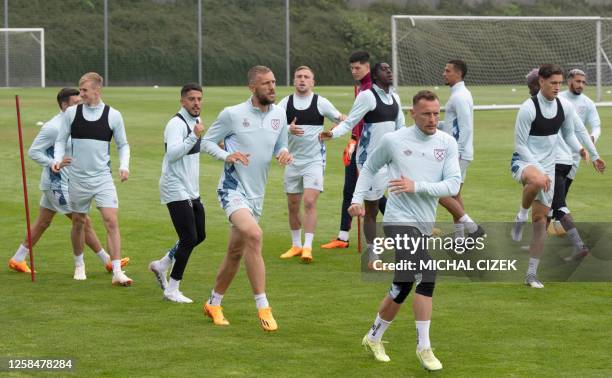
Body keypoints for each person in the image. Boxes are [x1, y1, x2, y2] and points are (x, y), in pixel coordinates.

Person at [350, 90, 461, 371]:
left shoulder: (447, 143)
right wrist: (356, 200)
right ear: (413, 114)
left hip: (423, 223)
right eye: (426, 113)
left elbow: (453, 185)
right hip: (398, 220)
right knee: (428, 273)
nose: (433, 118)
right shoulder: (394, 141)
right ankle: (424, 348)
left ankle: (374, 336)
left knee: (402, 285)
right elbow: (368, 168)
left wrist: (417, 186)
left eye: (437, 113)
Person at [200, 65, 292, 332]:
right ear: (252, 87)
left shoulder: (280, 114)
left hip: (257, 196)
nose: (272, 88)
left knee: (235, 253)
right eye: (266, 84)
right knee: (255, 235)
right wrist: (226, 155)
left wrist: (284, 152)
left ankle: (213, 303)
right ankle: (263, 308)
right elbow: (207, 142)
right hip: (232, 189)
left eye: (274, 82)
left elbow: (280, 144)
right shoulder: (232, 114)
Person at [9, 88, 128, 278]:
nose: (81, 106)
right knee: (82, 220)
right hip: (57, 185)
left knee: (43, 222)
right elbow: (33, 151)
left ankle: (18, 258)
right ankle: (107, 261)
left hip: (69, 182)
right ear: (64, 105)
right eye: (76, 103)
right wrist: (53, 163)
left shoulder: (76, 122)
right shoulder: (52, 127)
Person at [509, 64, 605, 288]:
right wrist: (540, 171)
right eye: (553, 83)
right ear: (541, 82)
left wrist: (588, 152)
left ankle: (531, 274)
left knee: (541, 220)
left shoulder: (564, 106)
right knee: (536, 180)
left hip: (549, 165)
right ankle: (520, 215)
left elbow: (571, 133)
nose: (557, 87)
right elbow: (520, 145)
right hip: (524, 161)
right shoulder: (528, 108)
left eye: (559, 83)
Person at [53, 72, 133, 286]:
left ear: (97, 90)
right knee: (78, 222)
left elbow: (123, 145)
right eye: (80, 90)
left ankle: (117, 271)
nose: (80, 94)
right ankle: (79, 264)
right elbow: (60, 141)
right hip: (77, 178)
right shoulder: (71, 113)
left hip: (102, 178)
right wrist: (57, 160)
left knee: (111, 220)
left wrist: (124, 166)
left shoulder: (113, 115)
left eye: (85, 90)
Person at [321, 62, 404, 266]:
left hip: (391, 160)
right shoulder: (367, 96)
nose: (389, 71)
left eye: (390, 68)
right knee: (373, 208)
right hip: (370, 161)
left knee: (401, 203)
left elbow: (402, 128)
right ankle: (371, 254)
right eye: (384, 69)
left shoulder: (396, 97)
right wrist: (332, 133)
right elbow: (350, 122)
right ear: (375, 76)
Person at [277, 66, 345, 263]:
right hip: (292, 161)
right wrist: (287, 128)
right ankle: (296, 245)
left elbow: (342, 120)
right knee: (292, 204)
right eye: (299, 76)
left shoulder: (320, 102)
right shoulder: (285, 103)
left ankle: (307, 247)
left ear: (313, 82)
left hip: (314, 161)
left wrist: (331, 133)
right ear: (294, 81)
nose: (302, 80)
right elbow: (273, 126)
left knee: (309, 201)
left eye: (306, 77)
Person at [321, 51, 387, 249]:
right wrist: (352, 140)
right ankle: (343, 237)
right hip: (357, 144)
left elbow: (354, 121)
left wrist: (344, 136)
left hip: (368, 149)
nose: (354, 71)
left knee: (369, 194)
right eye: (351, 68)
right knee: (353, 190)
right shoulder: (359, 88)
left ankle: (407, 226)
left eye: (358, 67)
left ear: (368, 67)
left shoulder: (371, 90)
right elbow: (357, 120)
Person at [148, 83, 207, 303]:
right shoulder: (176, 124)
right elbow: (172, 155)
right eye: (192, 99)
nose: (196, 103)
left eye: (199, 99)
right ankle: (172, 289)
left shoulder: (197, 122)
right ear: (182, 101)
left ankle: (162, 264)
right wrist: (193, 136)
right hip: (174, 186)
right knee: (188, 237)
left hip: (191, 187)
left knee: (199, 235)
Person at [548, 69, 603, 258]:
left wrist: (592, 139)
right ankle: (542, 240)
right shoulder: (558, 98)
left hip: (574, 160)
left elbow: (595, 126)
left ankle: (576, 244)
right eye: (577, 81)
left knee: (556, 202)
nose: (580, 85)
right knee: (554, 201)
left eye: (583, 82)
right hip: (554, 157)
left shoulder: (587, 103)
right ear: (569, 81)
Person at [437, 59, 485, 240]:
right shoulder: (459, 94)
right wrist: (434, 125)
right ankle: (460, 239)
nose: (444, 73)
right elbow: (452, 125)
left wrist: (456, 154)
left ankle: (473, 229)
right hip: (460, 153)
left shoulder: (460, 96)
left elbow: (466, 128)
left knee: (440, 194)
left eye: (447, 70)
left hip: (458, 154)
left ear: (458, 74)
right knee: (454, 195)